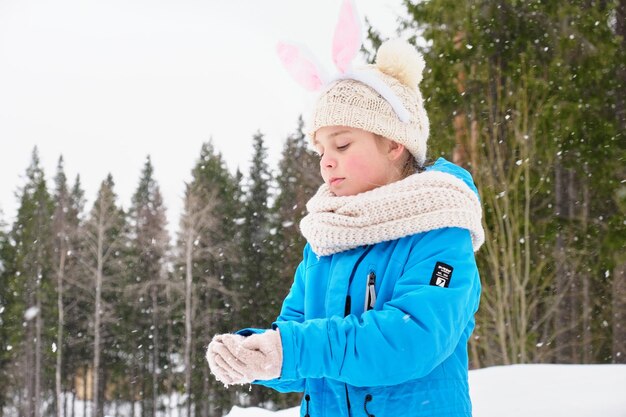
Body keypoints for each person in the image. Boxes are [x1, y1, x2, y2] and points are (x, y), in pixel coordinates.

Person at [206, 3, 484, 416]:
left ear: (394, 144)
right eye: (320, 149)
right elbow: (298, 347)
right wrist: (258, 353)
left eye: (342, 144)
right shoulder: (325, 240)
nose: (326, 161)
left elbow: (411, 340)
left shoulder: (441, 231)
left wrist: (292, 348)